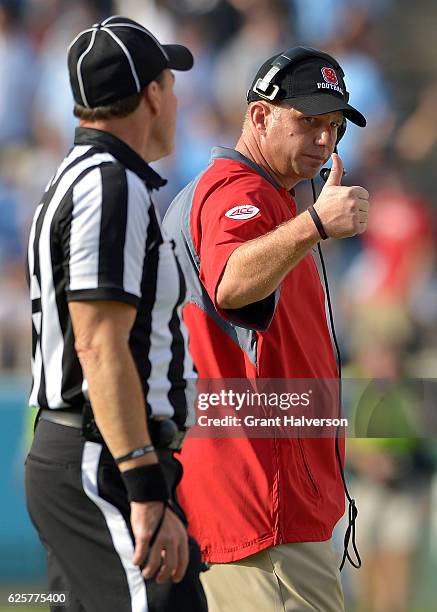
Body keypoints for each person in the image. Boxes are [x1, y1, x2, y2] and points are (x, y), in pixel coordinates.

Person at [163, 47, 369, 611]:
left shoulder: (269, 197)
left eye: (333, 127)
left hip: (266, 496)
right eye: (307, 121)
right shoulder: (241, 192)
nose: (324, 141)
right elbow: (230, 282)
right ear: (259, 116)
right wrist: (317, 224)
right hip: (261, 500)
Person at [24, 16, 207, 612]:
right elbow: (99, 346)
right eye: (170, 83)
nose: (176, 98)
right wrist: (144, 484)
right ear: (152, 94)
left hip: (93, 452)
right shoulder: (111, 184)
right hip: (101, 455)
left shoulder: (88, 176)